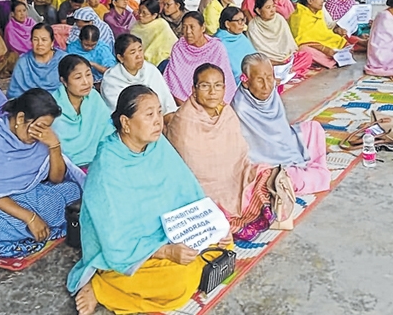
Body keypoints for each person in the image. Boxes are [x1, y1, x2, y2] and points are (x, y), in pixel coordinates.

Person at [67, 85, 232, 315]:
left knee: (223, 244)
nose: (158, 121)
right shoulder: (108, 166)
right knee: (178, 284)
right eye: (149, 114)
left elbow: (187, 192)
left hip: (172, 233)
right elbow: (117, 240)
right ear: (125, 123)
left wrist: (212, 228)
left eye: (158, 112)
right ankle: (102, 288)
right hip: (132, 252)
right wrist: (165, 252)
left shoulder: (158, 145)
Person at [0, 88, 84, 258]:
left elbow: (56, 179)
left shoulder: (41, 137)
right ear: (20, 118)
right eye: (40, 126)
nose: (43, 133)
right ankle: (43, 226)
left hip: (29, 194)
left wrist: (54, 145)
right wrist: (30, 217)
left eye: (47, 127)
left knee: (72, 191)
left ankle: (32, 229)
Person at [166, 64, 274, 241]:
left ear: (224, 88)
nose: (212, 92)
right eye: (205, 86)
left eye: (218, 85)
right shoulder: (184, 120)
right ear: (193, 90)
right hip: (203, 190)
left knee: (267, 176)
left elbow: (239, 155)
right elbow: (191, 166)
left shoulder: (227, 112)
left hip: (235, 177)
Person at [231, 53, 331, 195]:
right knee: (289, 178)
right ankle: (309, 174)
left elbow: (280, 130)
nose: (266, 86)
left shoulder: (272, 95)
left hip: (285, 146)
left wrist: (288, 151)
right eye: (260, 80)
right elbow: (256, 149)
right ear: (246, 81)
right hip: (265, 163)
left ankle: (312, 170)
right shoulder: (240, 108)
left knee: (313, 128)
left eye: (269, 78)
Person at [164, 12, 237, 105]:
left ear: (202, 28)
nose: (188, 32)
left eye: (192, 27)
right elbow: (173, 79)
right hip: (185, 103)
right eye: (184, 27)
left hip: (214, 99)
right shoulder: (179, 47)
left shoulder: (216, 47)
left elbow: (224, 76)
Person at [52, 55, 113, 167]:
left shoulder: (94, 97)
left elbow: (107, 130)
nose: (86, 82)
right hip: (66, 167)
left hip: (100, 161)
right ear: (64, 81)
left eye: (88, 75)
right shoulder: (53, 106)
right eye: (78, 77)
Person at [101, 34, 177, 122]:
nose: (139, 56)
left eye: (140, 50)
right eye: (133, 52)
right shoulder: (111, 79)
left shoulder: (150, 70)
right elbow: (122, 112)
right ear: (120, 58)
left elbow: (166, 100)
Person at [247, 0, 313, 77]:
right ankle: (289, 72)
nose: (272, 10)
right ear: (258, 10)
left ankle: (289, 71)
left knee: (307, 55)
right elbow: (258, 52)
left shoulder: (279, 19)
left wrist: (285, 59)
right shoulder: (253, 26)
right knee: (260, 66)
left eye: (273, 6)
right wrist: (276, 62)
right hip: (270, 62)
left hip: (286, 59)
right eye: (268, 7)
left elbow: (288, 42)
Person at [288, 0, 350, 66]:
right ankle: (332, 60)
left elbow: (323, 33)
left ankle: (338, 55)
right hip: (311, 47)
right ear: (310, 1)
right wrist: (324, 49)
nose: (323, 1)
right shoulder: (299, 16)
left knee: (344, 38)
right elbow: (302, 42)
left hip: (324, 43)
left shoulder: (318, 12)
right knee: (305, 51)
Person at [8, 23, 68, 98]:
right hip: (31, 104)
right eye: (35, 39)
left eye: (44, 40)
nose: (39, 44)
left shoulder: (64, 60)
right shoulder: (23, 62)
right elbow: (14, 93)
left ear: (52, 42)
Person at [214, 7, 256, 83]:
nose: (242, 24)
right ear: (227, 24)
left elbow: (254, 57)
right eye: (239, 21)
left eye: (243, 20)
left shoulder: (241, 37)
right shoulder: (218, 43)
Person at [130, 0, 178, 66]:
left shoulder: (161, 25)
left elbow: (171, 45)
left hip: (161, 60)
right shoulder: (135, 26)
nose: (140, 15)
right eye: (139, 11)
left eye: (144, 13)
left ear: (154, 15)